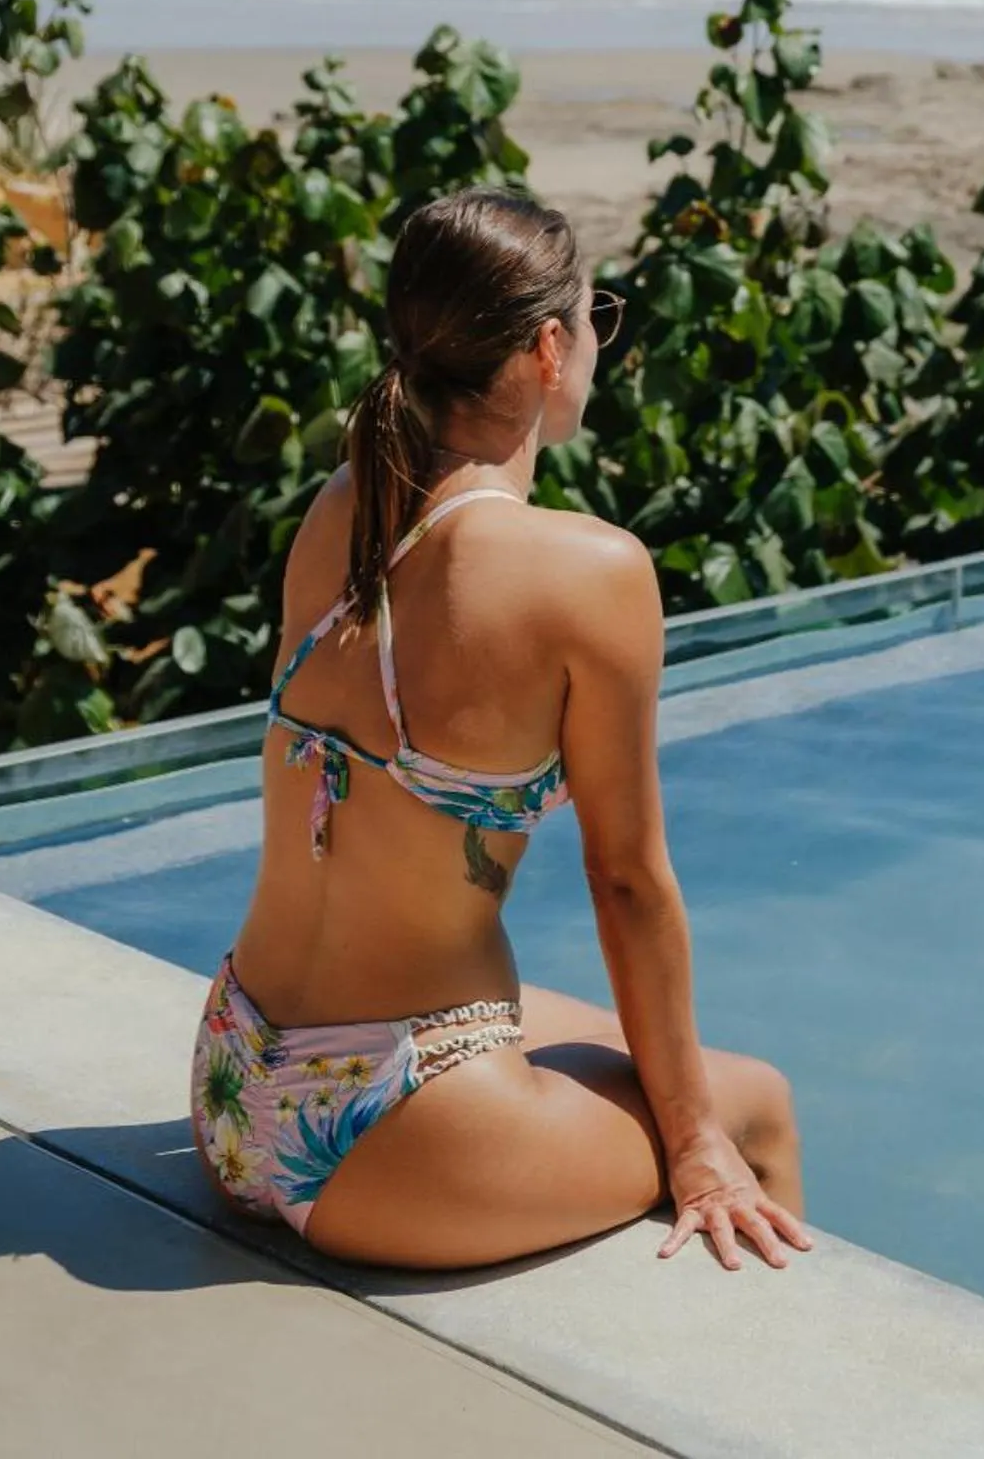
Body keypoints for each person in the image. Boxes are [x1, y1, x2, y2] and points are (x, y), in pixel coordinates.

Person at [190, 187, 809, 1274]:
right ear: (548, 348)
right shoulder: (591, 572)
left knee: (634, 1051)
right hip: (395, 1133)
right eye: (595, 321)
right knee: (751, 1104)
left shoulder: (347, 506)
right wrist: (695, 1142)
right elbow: (627, 883)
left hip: (237, 1078)